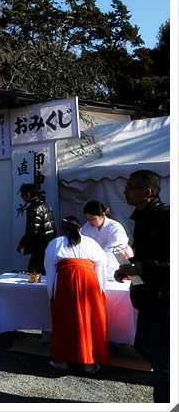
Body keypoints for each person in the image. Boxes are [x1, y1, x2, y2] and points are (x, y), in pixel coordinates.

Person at [116, 170, 169, 403]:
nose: (125, 192)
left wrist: (144, 267)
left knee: (164, 364)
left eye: (130, 187)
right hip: (148, 297)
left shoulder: (166, 217)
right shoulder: (141, 217)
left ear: (147, 192)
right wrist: (127, 268)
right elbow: (144, 256)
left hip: (166, 299)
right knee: (143, 346)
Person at [44, 216, 110, 374]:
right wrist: (101, 288)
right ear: (80, 228)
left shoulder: (56, 243)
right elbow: (102, 264)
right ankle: (89, 363)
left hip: (65, 280)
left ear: (63, 229)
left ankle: (62, 361)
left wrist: (51, 291)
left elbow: (50, 267)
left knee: (64, 319)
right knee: (89, 319)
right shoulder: (91, 243)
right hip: (88, 279)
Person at [80, 200, 130, 281]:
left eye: (92, 218)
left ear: (103, 215)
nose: (89, 221)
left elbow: (112, 250)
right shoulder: (86, 227)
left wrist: (98, 262)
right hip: (93, 262)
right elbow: (84, 246)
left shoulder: (115, 227)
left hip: (113, 262)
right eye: (87, 218)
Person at [16, 183, 56, 275]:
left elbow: (32, 230)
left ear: (28, 194)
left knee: (34, 271)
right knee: (44, 271)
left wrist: (21, 244)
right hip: (48, 243)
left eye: (22, 195)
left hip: (40, 245)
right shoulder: (46, 205)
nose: (22, 197)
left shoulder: (34, 208)